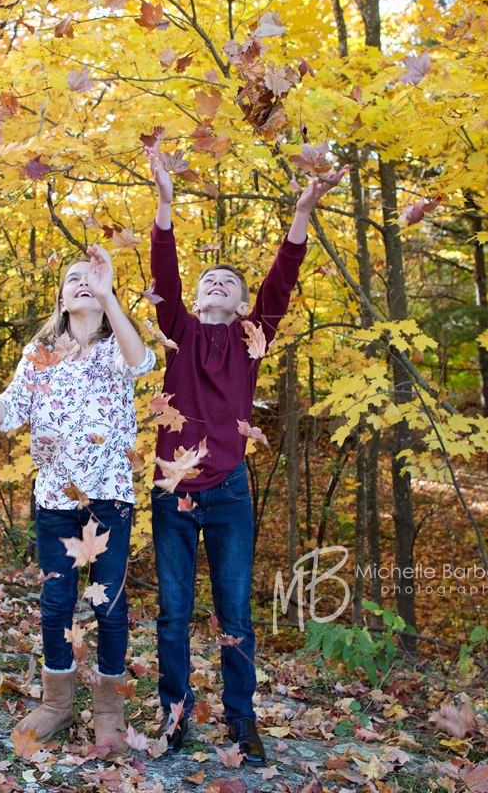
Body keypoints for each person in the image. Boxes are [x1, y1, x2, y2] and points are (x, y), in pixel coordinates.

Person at [145, 146, 345, 766]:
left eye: (229, 284)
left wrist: (303, 212)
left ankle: (241, 721)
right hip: (171, 493)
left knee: (235, 612)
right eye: (211, 280)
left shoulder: (249, 340)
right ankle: (173, 715)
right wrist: (166, 202)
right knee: (174, 614)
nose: (217, 285)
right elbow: (166, 271)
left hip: (229, 491)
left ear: (239, 304)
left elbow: (281, 281)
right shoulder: (175, 328)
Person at [0, 244, 155, 757]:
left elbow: (141, 362)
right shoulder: (38, 353)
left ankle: (108, 709)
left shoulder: (116, 346)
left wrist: (110, 297)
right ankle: (57, 703)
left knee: (108, 603)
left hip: (108, 497)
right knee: (56, 603)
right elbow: (10, 415)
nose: (83, 282)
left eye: (93, 277)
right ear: (61, 299)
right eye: (74, 279)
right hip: (54, 498)